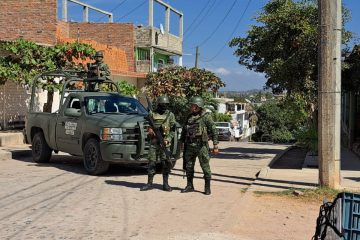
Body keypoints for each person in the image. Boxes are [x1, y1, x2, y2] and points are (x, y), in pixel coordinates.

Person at [180, 96, 219, 195]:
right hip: (189, 145)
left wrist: (215, 145)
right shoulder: (188, 117)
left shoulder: (206, 117)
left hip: (201, 146)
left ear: (198, 106)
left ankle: (207, 187)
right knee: (189, 166)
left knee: (205, 166)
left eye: (193, 105)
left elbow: (214, 131)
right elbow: (184, 131)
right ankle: (190, 185)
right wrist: (181, 143)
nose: (191, 107)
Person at [140, 95, 176, 192]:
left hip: (165, 143)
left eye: (166, 104)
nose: (164, 106)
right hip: (154, 142)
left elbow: (173, 130)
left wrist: (167, 139)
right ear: (159, 104)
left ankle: (165, 184)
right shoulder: (152, 113)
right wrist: (150, 129)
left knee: (165, 163)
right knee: (151, 162)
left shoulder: (170, 115)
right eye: (162, 104)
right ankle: (149, 183)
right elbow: (147, 124)